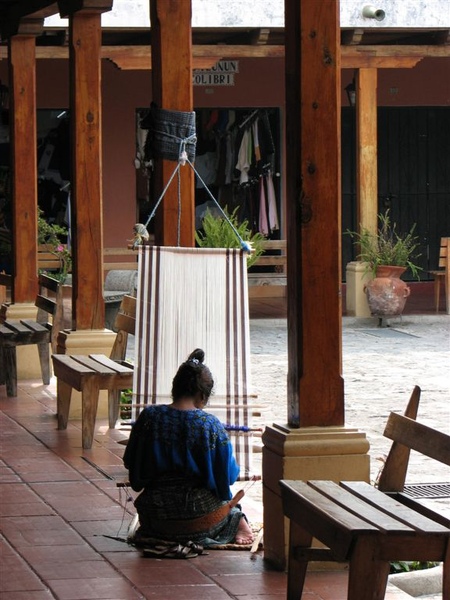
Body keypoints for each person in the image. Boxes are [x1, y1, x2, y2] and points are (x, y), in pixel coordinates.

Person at [123, 348, 254, 552]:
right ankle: (237, 520)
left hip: (155, 519)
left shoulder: (149, 418)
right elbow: (227, 478)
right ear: (203, 395)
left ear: (175, 388)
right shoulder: (209, 425)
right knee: (230, 505)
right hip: (198, 520)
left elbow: (131, 463)